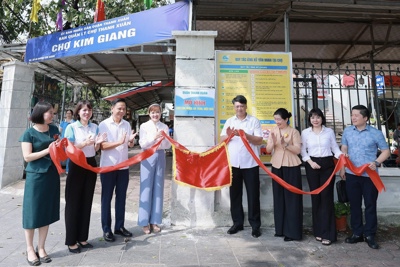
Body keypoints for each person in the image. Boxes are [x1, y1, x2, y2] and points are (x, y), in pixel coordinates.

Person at [339, 105, 390, 249]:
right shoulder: (348, 131)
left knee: (370, 205)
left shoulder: (376, 133)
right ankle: (357, 233)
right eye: (352, 115)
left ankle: (370, 234)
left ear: (365, 118)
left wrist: (376, 162)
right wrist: (342, 167)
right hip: (351, 174)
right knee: (354, 205)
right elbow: (344, 149)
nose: (353, 118)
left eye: (356, 115)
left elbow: (386, 151)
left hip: (370, 175)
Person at [19, 101, 61, 265]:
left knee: (46, 211)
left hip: (52, 175)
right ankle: (30, 248)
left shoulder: (54, 130)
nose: (52, 115)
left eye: (52, 112)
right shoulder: (28, 133)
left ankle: (41, 247)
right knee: (32, 212)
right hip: (35, 177)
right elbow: (27, 157)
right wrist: (48, 150)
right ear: (40, 113)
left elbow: (58, 149)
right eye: (49, 112)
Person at [63, 100, 107, 253]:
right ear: (78, 112)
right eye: (83, 110)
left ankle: (82, 238)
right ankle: (71, 241)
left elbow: (94, 148)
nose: (86, 112)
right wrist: (84, 143)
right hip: (76, 164)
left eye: (88, 110)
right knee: (73, 202)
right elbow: (68, 149)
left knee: (86, 201)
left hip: (91, 164)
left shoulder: (95, 127)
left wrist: (97, 143)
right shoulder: (71, 127)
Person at [220, 95, 263, 238]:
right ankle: (237, 223)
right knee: (235, 195)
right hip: (233, 164)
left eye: (242, 106)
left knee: (253, 195)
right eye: (237, 106)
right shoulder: (229, 121)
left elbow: (259, 140)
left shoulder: (254, 121)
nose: (239, 109)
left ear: (246, 107)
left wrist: (244, 135)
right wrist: (230, 135)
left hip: (250, 164)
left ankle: (255, 226)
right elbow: (221, 139)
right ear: (234, 107)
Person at [300, 108, 343, 246]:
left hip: (327, 165)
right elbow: (302, 150)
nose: (315, 120)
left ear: (322, 118)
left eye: (318, 117)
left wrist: (341, 157)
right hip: (312, 165)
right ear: (309, 119)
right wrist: (310, 162)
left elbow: (334, 148)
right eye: (312, 117)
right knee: (316, 198)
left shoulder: (329, 132)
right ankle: (318, 231)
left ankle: (328, 234)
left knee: (326, 198)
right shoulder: (305, 133)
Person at [98, 98, 137, 242]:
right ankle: (106, 229)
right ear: (112, 109)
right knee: (106, 199)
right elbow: (102, 146)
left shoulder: (126, 124)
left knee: (121, 198)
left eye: (124, 109)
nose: (122, 111)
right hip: (108, 166)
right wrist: (119, 142)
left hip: (123, 166)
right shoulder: (104, 125)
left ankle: (119, 226)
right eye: (119, 108)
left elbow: (129, 144)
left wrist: (131, 141)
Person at [266, 108, 303, 241]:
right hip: (277, 166)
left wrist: (285, 144)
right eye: (275, 119)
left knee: (291, 199)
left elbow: (298, 150)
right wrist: (272, 143)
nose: (277, 122)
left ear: (286, 119)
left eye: (279, 119)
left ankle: (292, 232)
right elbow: (268, 149)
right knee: (279, 197)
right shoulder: (273, 131)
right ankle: (280, 229)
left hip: (291, 166)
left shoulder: (294, 132)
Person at [138, 104, 171, 234]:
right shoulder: (144, 126)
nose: (155, 114)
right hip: (147, 155)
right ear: (149, 113)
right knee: (146, 187)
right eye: (152, 112)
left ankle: (155, 220)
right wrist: (154, 137)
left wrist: (163, 139)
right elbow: (142, 143)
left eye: (157, 112)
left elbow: (168, 144)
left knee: (158, 187)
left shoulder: (164, 127)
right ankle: (144, 222)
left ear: (161, 113)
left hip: (160, 155)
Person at [59, 109, 74, 173]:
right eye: (67, 113)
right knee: (60, 155)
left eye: (70, 113)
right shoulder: (63, 122)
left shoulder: (74, 122)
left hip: (70, 142)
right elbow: (60, 131)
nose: (68, 114)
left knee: (69, 156)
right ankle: (58, 169)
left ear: (72, 114)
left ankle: (68, 170)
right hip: (62, 141)